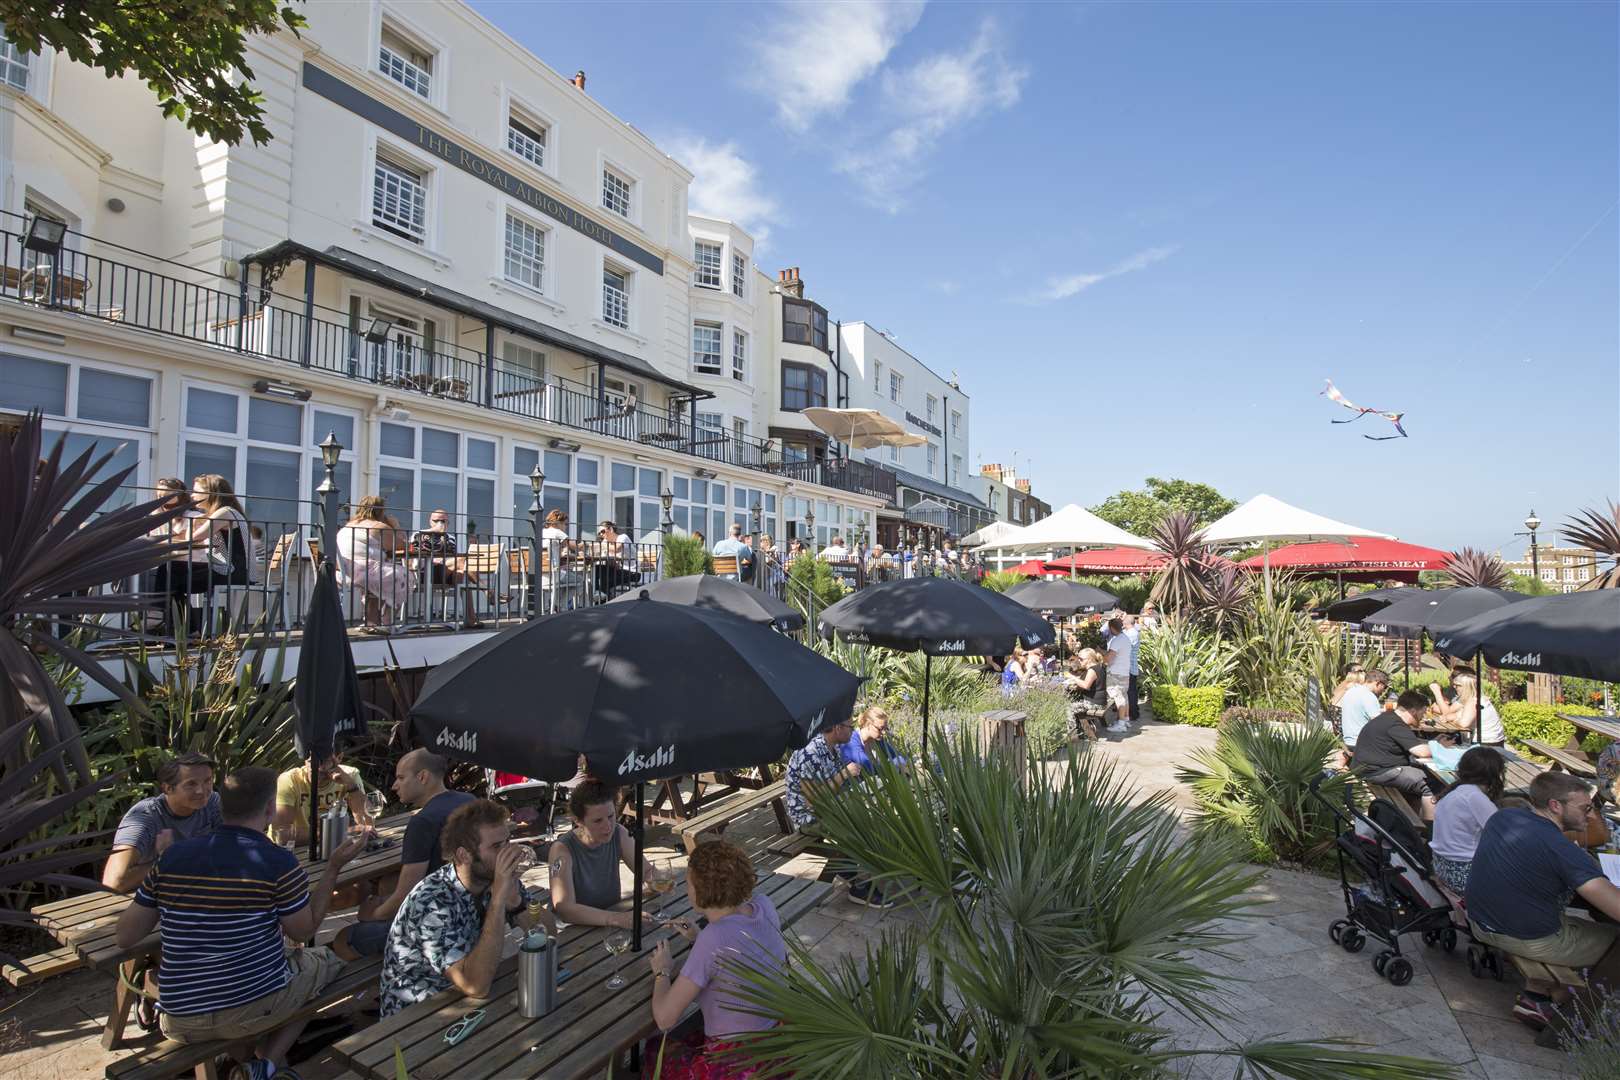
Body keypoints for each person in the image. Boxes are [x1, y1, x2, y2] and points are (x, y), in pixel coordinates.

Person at [115, 767, 372, 1080]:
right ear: (268, 809)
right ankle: (265, 1065)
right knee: (326, 960)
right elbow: (304, 932)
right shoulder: (277, 860)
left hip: (179, 1019)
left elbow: (126, 936)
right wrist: (333, 867)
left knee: (262, 975)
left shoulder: (171, 858)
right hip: (251, 1008)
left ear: (220, 807)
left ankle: (246, 1060)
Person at [1466, 773, 1620, 1030]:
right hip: (1524, 937)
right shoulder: (1562, 850)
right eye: (1586, 808)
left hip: (1481, 920)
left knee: (1573, 920)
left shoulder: (1504, 817)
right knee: (1615, 943)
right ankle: (1566, 1005)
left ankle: (1536, 997)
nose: (1592, 816)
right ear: (1555, 805)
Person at [379, 799, 549, 1016]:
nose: (509, 852)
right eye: (497, 846)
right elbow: (475, 986)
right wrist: (498, 901)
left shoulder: (494, 878)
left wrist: (516, 903)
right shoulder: (432, 902)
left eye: (508, 842)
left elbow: (548, 935)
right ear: (463, 855)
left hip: (464, 998)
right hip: (415, 1017)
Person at [649, 841, 788, 1079]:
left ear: (701, 890)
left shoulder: (713, 939)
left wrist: (661, 972)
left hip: (734, 1063)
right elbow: (738, 948)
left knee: (654, 1051)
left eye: (689, 882)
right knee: (690, 1031)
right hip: (774, 1045)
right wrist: (697, 937)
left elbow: (664, 1018)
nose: (687, 888)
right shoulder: (765, 905)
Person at [333, 750, 475, 959]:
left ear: (423, 777)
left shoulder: (423, 822)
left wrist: (372, 915)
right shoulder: (469, 800)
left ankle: (389, 978)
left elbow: (405, 896)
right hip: (469, 911)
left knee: (343, 937)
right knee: (386, 887)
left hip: (435, 924)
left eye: (400, 778)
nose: (394, 786)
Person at [784, 718, 890, 908]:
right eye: (850, 727)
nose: (853, 731)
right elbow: (812, 802)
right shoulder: (810, 753)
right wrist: (843, 775)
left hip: (832, 809)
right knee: (860, 827)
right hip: (809, 819)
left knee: (874, 814)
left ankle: (854, 873)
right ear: (837, 728)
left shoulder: (834, 748)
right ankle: (859, 886)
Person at [104, 752, 222, 894]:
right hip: (146, 898)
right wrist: (167, 860)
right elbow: (113, 882)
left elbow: (233, 848)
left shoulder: (212, 803)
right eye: (191, 784)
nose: (201, 791)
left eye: (207, 781)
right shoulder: (144, 816)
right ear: (167, 788)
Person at [548, 780, 659, 928]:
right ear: (578, 821)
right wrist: (614, 918)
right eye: (598, 821)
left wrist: (658, 881)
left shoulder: (619, 833)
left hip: (612, 920)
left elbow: (646, 871)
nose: (608, 826)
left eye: (611, 816)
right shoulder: (562, 850)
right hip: (575, 929)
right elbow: (564, 908)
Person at [1350, 689, 1439, 819]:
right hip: (1376, 773)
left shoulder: (1389, 718)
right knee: (1429, 784)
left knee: (1420, 778)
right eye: (1423, 712)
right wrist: (1440, 747)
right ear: (1413, 711)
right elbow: (1420, 751)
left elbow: (1412, 742)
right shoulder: (1395, 724)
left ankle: (1412, 823)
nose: (1423, 717)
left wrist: (1433, 742)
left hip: (1370, 769)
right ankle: (1430, 831)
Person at [1430, 747, 1506, 896]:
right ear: (1495, 774)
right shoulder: (1475, 797)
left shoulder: (1454, 793)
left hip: (1441, 866)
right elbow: (1503, 834)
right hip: (1463, 872)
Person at [336, 495, 409, 630]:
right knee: (405, 575)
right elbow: (402, 545)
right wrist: (395, 525)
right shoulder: (378, 526)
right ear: (380, 511)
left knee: (382, 579)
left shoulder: (348, 526)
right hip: (363, 572)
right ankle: (388, 621)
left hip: (343, 572)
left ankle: (372, 623)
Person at [272, 753, 369, 845]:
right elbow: (282, 835)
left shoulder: (349, 775)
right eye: (311, 761)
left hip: (328, 845)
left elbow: (367, 825)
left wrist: (351, 786)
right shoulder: (290, 780)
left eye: (324, 761)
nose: (317, 767)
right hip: (292, 850)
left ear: (339, 758)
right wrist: (339, 833)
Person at [409, 509, 481, 629]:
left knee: (460, 575)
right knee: (462, 562)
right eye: (436, 521)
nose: (439, 524)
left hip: (445, 573)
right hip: (424, 573)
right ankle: (487, 591)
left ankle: (470, 619)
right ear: (430, 522)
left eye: (442, 521)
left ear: (448, 523)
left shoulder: (450, 538)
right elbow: (415, 561)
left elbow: (453, 558)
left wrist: (445, 561)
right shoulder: (420, 534)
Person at [1428, 673, 1506, 746]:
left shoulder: (1473, 701)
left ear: (1466, 687)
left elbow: (1464, 723)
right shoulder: (1473, 698)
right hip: (1492, 741)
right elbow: (1455, 714)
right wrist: (1452, 717)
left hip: (1487, 744)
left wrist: (1437, 692)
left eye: (1457, 685)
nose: (1454, 687)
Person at [842, 706, 907, 773]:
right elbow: (867, 767)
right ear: (868, 724)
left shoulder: (877, 739)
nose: (884, 732)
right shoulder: (851, 741)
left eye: (885, 729)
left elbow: (896, 755)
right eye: (880, 729)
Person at [1338, 668, 1389, 749]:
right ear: (1378, 683)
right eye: (1385, 687)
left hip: (1348, 741)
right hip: (1363, 743)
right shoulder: (1369, 696)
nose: (1384, 691)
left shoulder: (1350, 692)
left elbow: (1360, 712)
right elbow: (1379, 723)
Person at [1063, 650, 1108, 741]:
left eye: (1081, 659)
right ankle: (1082, 732)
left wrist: (1073, 678)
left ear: (1089, 659)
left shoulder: (1092, 670)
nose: (1079, 661)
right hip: (1100, 700)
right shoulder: (1100, 666)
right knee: (1075, 701)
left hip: (1094, 703)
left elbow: (1086, 686)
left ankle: (1073, 737)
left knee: (1068, 708)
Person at [1102, 617, 1133, 734]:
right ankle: (1125, 720)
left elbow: (1108, 659)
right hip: (1124, 671)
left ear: (1111, 628)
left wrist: (1101, 656)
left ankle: (1121, 724)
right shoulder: (1125, 638)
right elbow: (1114, 654)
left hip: (1116, 673)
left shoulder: (1116, 640)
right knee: (1124, 696)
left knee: (1118, 697)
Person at [1122, 614, 1142, 722]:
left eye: (1124, 622)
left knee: (1131, 691)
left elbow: (1125, 649)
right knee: (1132, 690)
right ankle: (1133, 711)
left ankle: (1133, 713)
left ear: (1126, 623)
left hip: (1129, 666)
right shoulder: (1133, 632)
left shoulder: (1131, 634)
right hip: (1131, 665)